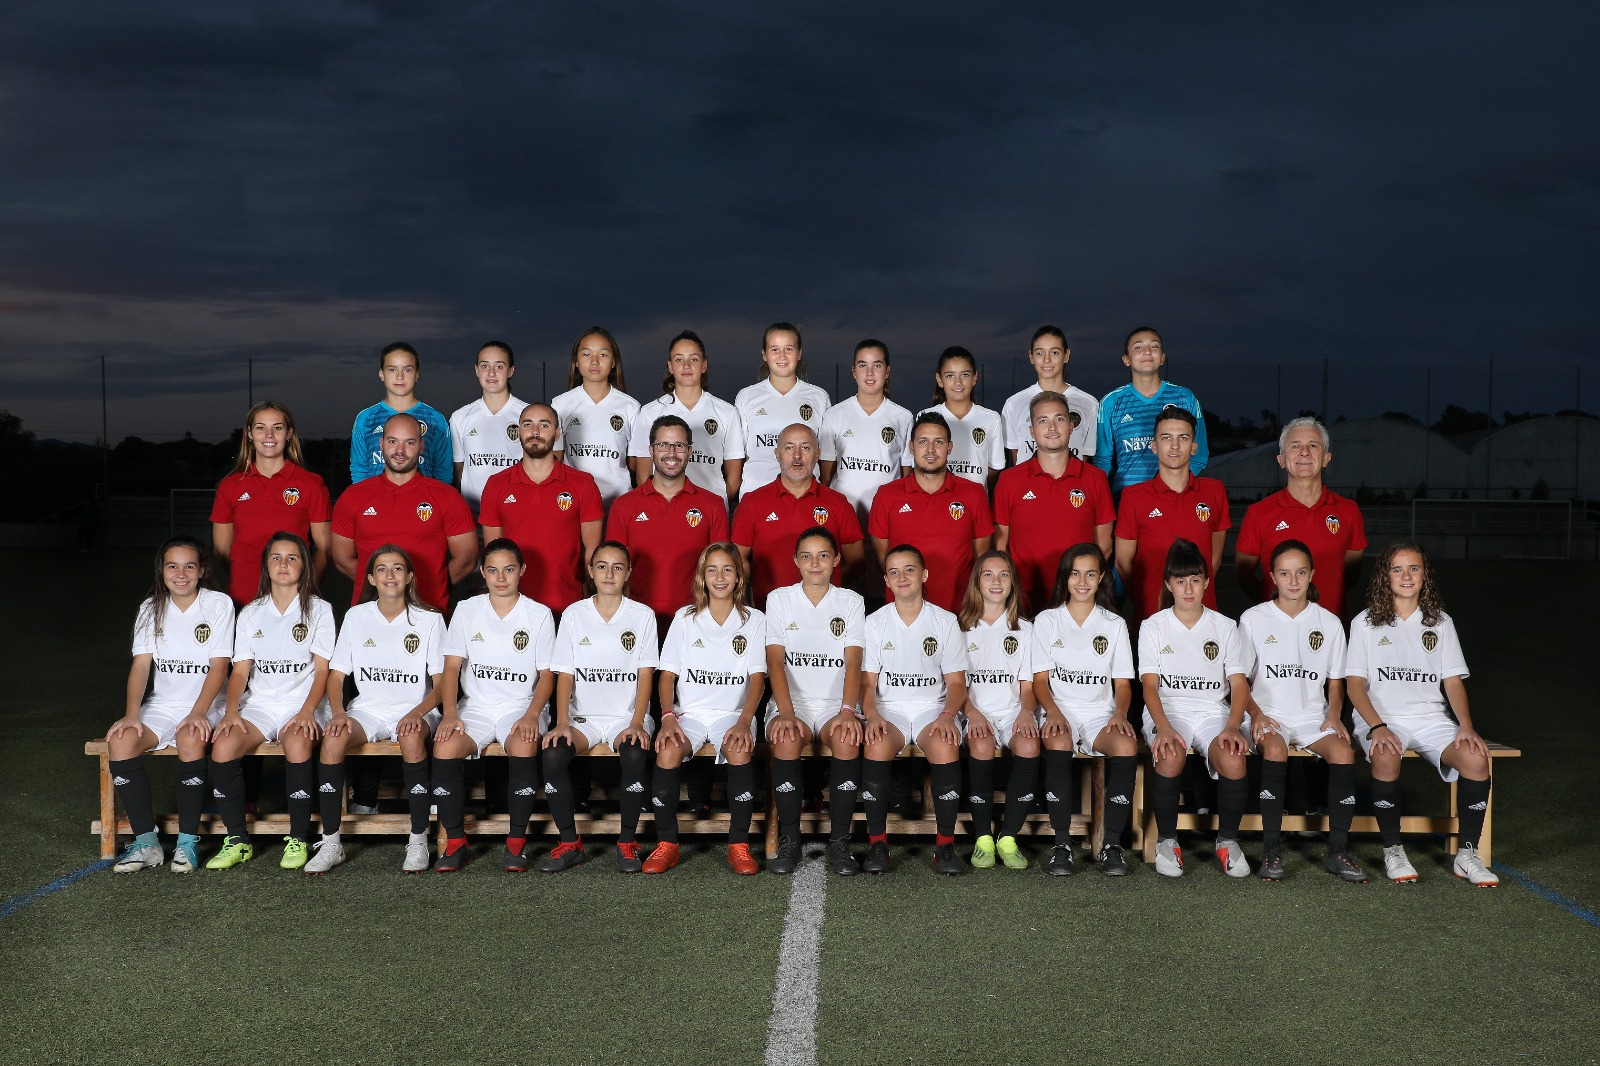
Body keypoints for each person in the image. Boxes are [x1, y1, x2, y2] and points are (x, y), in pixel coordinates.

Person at [1344, 542, 1498, 886]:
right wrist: (1378, 726)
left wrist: (1467, 726)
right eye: (1397, 569)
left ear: (1425, 575)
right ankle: (1393, 849)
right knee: (1385, 753)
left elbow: (1453, 681)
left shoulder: (1440, 622)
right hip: (1381, 717)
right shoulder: (1365, 622)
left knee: (1475, 758)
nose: (1406, 576)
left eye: (1414, 568)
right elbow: (1355, 685)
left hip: (1430, 719)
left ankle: (1466, 854)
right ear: (1385, 576)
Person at [306, 545, 446, 874]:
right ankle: (331, 844)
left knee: (412, 740)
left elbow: (443, 684)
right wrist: (338, 713)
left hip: (415, 709)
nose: (390, 575)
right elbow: (337, 677)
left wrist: (416, 713)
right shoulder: (357, 616)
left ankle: (417, 840)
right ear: (371, 577)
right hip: (367, 709)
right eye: (382, 569)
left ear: (409, 577)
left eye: (398, 568)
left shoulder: (430, 619)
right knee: (333, 738)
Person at [1238, 540, 1367, 882]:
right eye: (1284, 573)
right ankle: (1271, 851)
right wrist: (1257, 714)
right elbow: (1239, 681)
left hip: (1313, 717)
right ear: (1272, 577)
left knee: (1342, 751)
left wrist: (1335, 715)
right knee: (1277, 748)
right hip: (1267, 713)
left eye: (1300, 572)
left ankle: (1338, 852)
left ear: (1312, 575)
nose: (1293, 581)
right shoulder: (1253, 619)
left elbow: (1335, 683)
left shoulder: (1329, 623)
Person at [206, 532, 335, 871]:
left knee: (296, 742)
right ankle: (237, 839)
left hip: (303, 703)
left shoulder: (320, 609)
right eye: (276, 557)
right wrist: (231, 711)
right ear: (265, 564)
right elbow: (239, 672)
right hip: (261, 704)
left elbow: (323, 670)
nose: (283, 564)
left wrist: (308, 712)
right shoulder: (251, 612)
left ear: (304, 566)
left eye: (292, 557)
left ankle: (298, 837)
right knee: (223, 746)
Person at [107, 537, 234, 874]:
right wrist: (132, 713)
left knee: (191, 737)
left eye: (189, 566)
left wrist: (198, 712)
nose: (181, 574)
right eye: (172, 566)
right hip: (163, 705)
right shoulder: (151, 607)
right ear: (162, 571)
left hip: (208, 705)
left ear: (202, 570)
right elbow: (141, 665)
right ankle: (147, 843)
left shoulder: (218, 604)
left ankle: (187, 843)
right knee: (120, 741)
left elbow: (220, 667)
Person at [431, 539, 557, 872]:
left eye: (509, 569)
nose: (501, 578)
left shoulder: (538, 614)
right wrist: (450, 714)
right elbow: (452, 667)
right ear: (482, 573)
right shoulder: (467, 610)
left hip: (521, 706)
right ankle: (457, 845)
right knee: (444, 746)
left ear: (522, 571)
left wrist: (532, 714)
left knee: (525, 743)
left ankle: (515, 845)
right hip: (476, 708)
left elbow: (547, 675)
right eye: (492, 570)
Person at [644, 544, 766, 874]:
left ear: (739, 575)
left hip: (733, 714)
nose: (720, 576)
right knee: (667, 750)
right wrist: (667, 718)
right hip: (691, 715)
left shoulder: (755, 620)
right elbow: (666, 676)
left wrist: (744, 721)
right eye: (712, 569)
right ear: (702, 576)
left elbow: (757, 679)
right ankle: (666, 844)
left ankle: (738, 846)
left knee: (739, 750)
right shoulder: (685, 618)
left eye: (727, 569)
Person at [538, 542, 659, 873]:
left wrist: (637, 722)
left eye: (617, 567)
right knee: (552, 753)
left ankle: (627, 842)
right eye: (602, 566)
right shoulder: (575, 614)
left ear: (628, 573)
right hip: (583, 718)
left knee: (634, 752)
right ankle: (569, 841)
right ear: (590, 572)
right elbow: (565, 675)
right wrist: (562, 722)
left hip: (626, 717)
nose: (609, 573)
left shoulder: (642, 615)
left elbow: (645, 675)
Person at [1139, 539, 1254, 879]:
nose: (1188, 588)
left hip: (1211, 711)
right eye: (1180, 581)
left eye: (1195, 580)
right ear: (1168, 585)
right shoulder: (1153, 626)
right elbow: (1149, 687)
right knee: (1171, 753)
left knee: (1233, 757)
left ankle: (1228, 841)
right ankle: (1167, 841)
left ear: (1206, 581)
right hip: (1168, 709)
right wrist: (1162, 727)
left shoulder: (1225, 626)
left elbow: (1239, 685)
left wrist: (1233, 726)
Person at [859, 545, 969, 875]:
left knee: (946, 744)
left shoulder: (945, 621)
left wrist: (948, 715)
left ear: (924, 575)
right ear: (887, 582)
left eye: (909, 569)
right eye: (894, 572)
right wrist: (873, 715)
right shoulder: (875, 622)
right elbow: (867, 684)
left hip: (932, 709)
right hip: (888, 708)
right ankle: (878, 842)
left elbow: (957, 683)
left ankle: (945, 846)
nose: (902, 577)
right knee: (876, 743)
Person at [1030, 544, 1140, 876]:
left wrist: (1119, 714)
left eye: (1090, 573)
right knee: (1060, 743)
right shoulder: (1048, 620)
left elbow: (1123, 685)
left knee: (1125, 745)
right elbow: (1039, 682)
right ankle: (1061, 845)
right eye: (1075, 573)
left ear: (1101, 577)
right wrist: (1052, 712)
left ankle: (1112, 845)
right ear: (1065, 577)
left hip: (1099, 714)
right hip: (1058, 709)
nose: (1082, 581)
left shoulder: (1114, 623)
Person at [764, 527, 867, 876]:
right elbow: (775, 661)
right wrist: (787, 713)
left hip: (836, 703)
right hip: (792, 702)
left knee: (846, 738)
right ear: (795, 561)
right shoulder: (779, 599)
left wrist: (848, 710)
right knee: (786, 737)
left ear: (836, 559)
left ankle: (840, 841)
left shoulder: (851, 601)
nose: (815, 563)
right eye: (806, 556)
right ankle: (791, 840)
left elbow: (853, 661)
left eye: (823, 555)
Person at [331, 412, 477, 614]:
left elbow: (467, 559)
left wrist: (432, 586)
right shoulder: (353, 497)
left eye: (409, 442)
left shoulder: (447, 497)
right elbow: (342, 559)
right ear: (381, 443)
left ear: (421, 446)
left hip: (429, 613)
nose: (400, 450)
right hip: (370, 614)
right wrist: (383, 586)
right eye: (393, 441)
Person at [992, 391, 1115, 616]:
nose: (1052, 428)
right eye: (1042, 420)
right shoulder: (1010, 480)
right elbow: (1001, 546)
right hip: (1024, 600)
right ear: (1032, 431)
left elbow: (1104, 546)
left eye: (1059, 419)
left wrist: (1079, 587)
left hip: (1077, 601)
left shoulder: (1095, 478)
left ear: (1070, 425)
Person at [1235, 416, 1368, 621]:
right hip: (1276, 632)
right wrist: (1274, 606)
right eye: (1295, 445)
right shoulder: (1258, 513)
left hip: (1332, 630)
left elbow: (1350, 575)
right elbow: (1244, 576)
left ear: (1326, 458)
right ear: (1280, 460)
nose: (1304, 452)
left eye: (1313, 445)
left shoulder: (1349, 511)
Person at [956, 550, 1041, 871]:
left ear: (1013, 583)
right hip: (972, 711)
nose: (996, 581)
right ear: (977, 582)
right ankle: (982, 839)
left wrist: (1025, 713)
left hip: (1011, 713)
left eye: (1004, 574)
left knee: (1030, 743)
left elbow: (1028, 687)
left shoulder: (1026, 629)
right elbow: (954, 685)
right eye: (988, 574)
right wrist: (972, 713)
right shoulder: (959, 627)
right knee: (980, 744)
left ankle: (1007, 837)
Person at [479, 403, 605, 616]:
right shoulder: (496, 485)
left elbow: (592, 552)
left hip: (567, 605)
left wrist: (589, 600)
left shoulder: (583, 484)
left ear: (557, 434)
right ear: (518, 432)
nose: (535, 432)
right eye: (528, 425)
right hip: (513, 607)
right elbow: (494, 553)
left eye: (544, 425)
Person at [607, 414, 730, 631]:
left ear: (690, 451)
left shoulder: (713, 505)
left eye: (679, 445)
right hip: (636, 621)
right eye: (663, 445)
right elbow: (614, 569)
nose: (671, 453)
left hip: (695, 620)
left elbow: (722, 570)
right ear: (651, 450)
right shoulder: (624, 506)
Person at [866, 411, 994, 613]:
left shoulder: (974, 494)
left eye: (939, 442)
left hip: (961, 611)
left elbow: (981, 557)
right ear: (911, 447)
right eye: (923, 441)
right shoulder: (886, 496)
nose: (931, 450)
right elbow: (884, 559)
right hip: (903, 612)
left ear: (950, 447)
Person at [1114, 406, 1230, 620]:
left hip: (1203, 616)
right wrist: (1145, 599)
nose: (1175, 445)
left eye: (1183, 438)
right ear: (1154, 446)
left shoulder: (1214, 491)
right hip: (1152, 615)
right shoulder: (1133, 496)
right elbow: (1123, 561)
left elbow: (1214, 558)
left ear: (1194, 447)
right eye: (1166, 437)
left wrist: (1193, 594)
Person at [211, 401, 331, 608]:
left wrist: (308, 588)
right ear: (249, 433)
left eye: (277, 428)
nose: (269, 435)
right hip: (243, 598)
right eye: (260, 428)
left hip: (293, 598)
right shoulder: (230, 486)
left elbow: (326, 547)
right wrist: (246, 575)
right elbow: (222, 550)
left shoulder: (311, 483)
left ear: (289, 433)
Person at [732, 423, 865, 603]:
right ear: (777, 454)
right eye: (789, 448)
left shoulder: (838, 503)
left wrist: (827, 588)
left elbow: (857, 563)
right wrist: (762, 587)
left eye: (805, 448)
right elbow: (736, 560)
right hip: (770, 612)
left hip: (826, 612)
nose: (797, 456)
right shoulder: (752, 503)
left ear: (817, 454)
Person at [628, 330, 745, 507]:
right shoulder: (650, 412)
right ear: (670, 366)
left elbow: (734, 478)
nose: (687, 365)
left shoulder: (726, 412)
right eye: (679, 359)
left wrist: (713, 505)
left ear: (704, 365)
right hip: (663, 509)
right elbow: (642, 474)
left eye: (694, 359)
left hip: (709, 511)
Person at [1092, 326, 1209, 494]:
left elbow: (1199, 455)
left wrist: (1176, 488)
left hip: (1173, 497)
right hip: (1126, 500)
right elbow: (1103, 461)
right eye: (1138, 347)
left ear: (1162, 358)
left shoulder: (1184, 397)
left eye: (1154, 346)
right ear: (1126, 359)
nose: (1147, 352)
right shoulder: (1111, 402)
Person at [819, 339, 912, 529]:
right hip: (843, 517)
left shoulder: (903, 417)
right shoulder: (834, 415)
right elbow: (826, 478)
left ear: (887, 371)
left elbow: (906, 478)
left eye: (877, 365)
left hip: (886, 519)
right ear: (854, 371)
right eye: (863, 365)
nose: (869, 373)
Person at [733, 322, 831, 497]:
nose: (782, 356)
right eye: (775, 349)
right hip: (756, 496)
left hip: (804, 497)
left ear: (799, 353)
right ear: (764, 354)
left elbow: (825, 457)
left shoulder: (818, 397)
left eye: (789, 349)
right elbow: (737, 457)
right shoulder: (746, 397)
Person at [552, 326, 640, 507]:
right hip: (574, 504)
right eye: (586, 354)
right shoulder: (560, 405)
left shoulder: (630, 407)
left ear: (614, 362)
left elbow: (634, 464)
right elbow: (555, 461)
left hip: (619, 505)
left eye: (603, 355)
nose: (594, 361)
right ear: (576, 361)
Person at [350, 341, 452, 484]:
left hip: (423, 504)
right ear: (381, 374)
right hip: (377, 504)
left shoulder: (435, 420)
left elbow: (443, 472)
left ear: (417, 374)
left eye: (407, 370)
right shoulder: (366, 419)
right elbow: (359, 470)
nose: (399, 376)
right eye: (392, 369)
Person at [449, 341, 530, 518]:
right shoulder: (460, 417)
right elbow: (460, 469)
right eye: (485, 366)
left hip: (517, 516)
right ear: (477, 370)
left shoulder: (527, 414)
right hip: (474, 518)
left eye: (499, 366)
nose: (491, 373)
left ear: (511, 371)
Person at [1001, 325, 1098, 463]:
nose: (1047, 360)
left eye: (1055, 353)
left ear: (1066, 355)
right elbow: (1017, 455)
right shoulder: (1013, 404)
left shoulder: (1089, 404)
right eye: (1040, 353)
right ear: (1031, 357)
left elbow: (1085, 455)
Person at [916, 346, 1005, 492]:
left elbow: (995, 469)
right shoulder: (925, 416)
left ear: (975, 377)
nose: (958, 382)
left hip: (974, 504)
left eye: (964, 375)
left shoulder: (991, 419)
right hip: (937, 501)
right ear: (939, 379)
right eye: (950, 375)